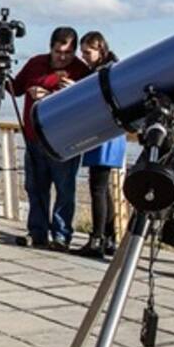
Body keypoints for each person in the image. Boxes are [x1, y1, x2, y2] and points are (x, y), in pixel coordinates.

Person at [11, 27, 90, 251]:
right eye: (58, 52)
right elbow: (15, 88)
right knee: (35, 188)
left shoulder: (81, 70)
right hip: (35, 138)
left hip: (65, 140)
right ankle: (37, 233)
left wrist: (75, 90)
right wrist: (2, 73)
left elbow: (91, 102)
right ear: (51, 47)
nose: (63, 57)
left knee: (65, 190)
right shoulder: (35, 63)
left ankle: (61, 236)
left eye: (68, 52)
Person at [74, 32, 126, 259]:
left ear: (100, 49)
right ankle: (109, 239)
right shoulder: (113, 69)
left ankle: (96, 240)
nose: (83, 57)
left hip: (104, 134)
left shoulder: (104, 73)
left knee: (98, 188)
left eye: (87, 52)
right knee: (104, 190)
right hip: (113, 134)